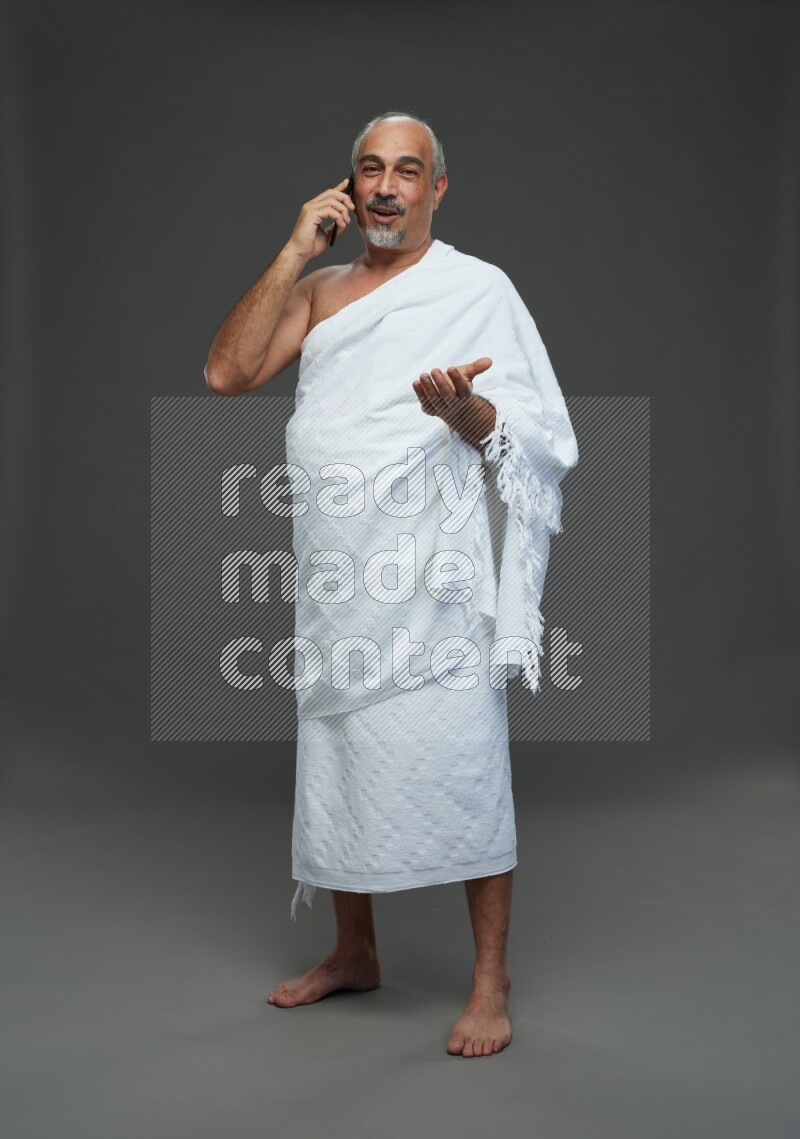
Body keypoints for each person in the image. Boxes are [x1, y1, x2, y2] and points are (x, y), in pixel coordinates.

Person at [204, 111, 578, 1057]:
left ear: (436, 190)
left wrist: (468, 412)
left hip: (435, 576)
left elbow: (534, 431)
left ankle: (490, 979)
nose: (384, 187)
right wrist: (294, 248)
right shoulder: (324, 289)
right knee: (341, 753)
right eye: (369, 168)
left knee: (466, 761)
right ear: (348, 184)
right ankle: (354, 950)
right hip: (338, 565)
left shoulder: (477, 290)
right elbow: (227, 370)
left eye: (406, 171)